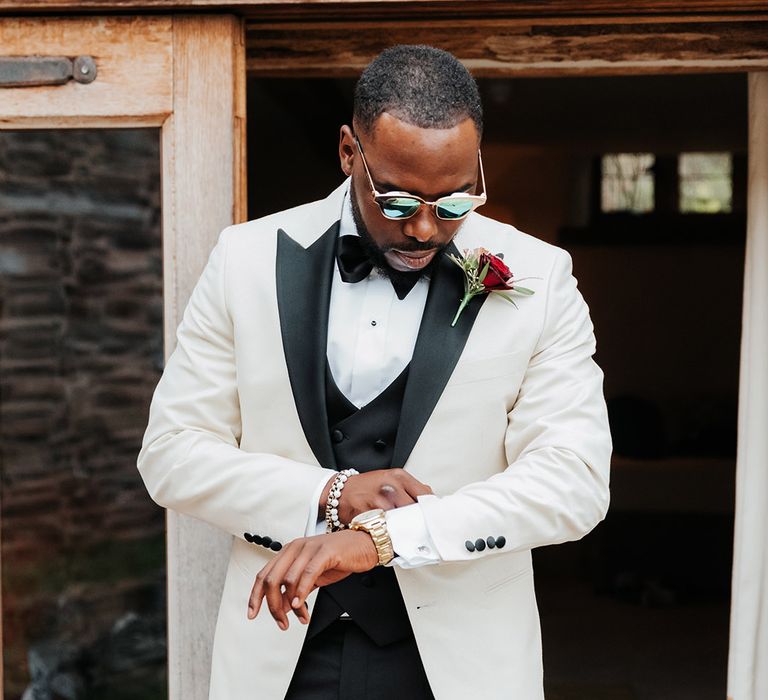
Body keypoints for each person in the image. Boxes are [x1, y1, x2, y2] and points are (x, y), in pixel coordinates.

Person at [137, 44, 611, 700]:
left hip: (459, 666)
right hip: (283, 658)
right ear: (347, 152)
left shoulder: (539, 276)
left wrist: (385, 538)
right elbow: (172, 455)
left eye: (453, 204)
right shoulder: (243, 261)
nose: (424, 229)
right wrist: (329, 497)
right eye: (397, 202)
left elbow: (573, 482)